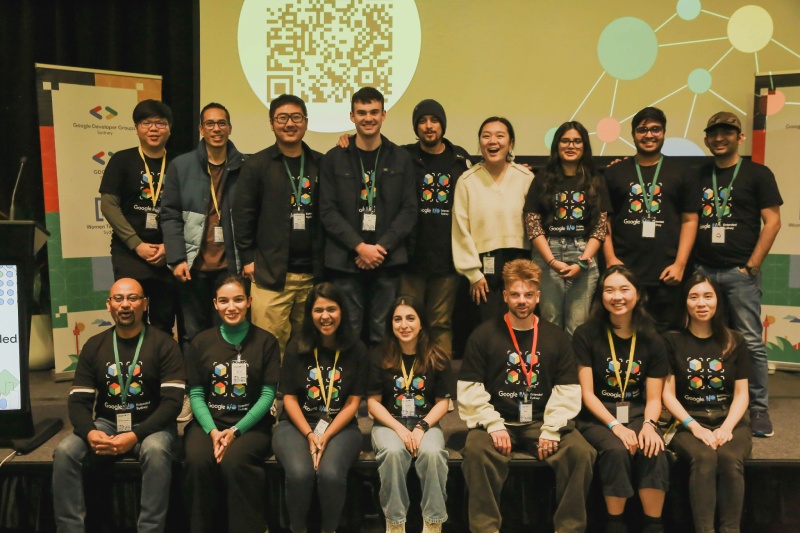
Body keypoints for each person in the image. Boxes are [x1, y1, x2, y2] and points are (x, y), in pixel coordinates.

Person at [458, 259, 595, 533]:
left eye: (529, 295)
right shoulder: (483, 335)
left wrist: (552, 429)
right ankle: (486, 529)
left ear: (538, 296)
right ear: (505, 295)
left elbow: (567, 390)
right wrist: (493, 424)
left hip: (541, 422)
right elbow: (469, 389)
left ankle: (569, 529)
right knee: (475, 450)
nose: (522, 301)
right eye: (516, 294)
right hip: (498, 422)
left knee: (581, 452)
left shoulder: (556, 337)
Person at [337, 98, 472, 354]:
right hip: (410, 258)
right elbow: (369, 150)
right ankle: (407, 378)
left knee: (440, 323)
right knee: (405, 322)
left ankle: (439, 382)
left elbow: (483, 181)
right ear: (415, 127)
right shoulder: (401, 156)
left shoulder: (460, 159)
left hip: (448, 258)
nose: (429, 126)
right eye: (422, 121)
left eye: (434, 120)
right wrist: (347, 139)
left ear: (443, 124)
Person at [52, 278, 186, 533]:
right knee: (65, 451)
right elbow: (78, 401)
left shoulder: (164, 344)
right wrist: (90, 432)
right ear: (109, 305)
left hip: (151, 424)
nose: (125, 305)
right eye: (118, 299)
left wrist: (135, 435)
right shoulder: (95, 345)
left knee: (156, 451)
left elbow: (172, 404)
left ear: (144, 304)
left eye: (133, 298)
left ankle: (150, 529)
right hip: (107, 423)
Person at [692, 111, 782, 437]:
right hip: (702, 271)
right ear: (706, 139)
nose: (719, 138)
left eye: (727, 132)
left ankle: (758, 409)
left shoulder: (758, 174)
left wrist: (752, 266)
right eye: (714, 133)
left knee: (751, 342)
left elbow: (772, 222)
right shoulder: (699, 173)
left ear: (739, 137)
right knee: (704, 339)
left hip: (739, 271)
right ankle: (713, 400)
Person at [573, 265, 669, 533]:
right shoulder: (586, 334)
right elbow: (586, 394)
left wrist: (650, 425)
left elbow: (653, 397)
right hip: (597, 416)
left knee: (653, 447)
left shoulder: (652, 338)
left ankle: (654, 525)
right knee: (616, 449)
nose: (617, 297)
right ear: (601, 296)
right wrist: (615, 426)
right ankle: (616, 525)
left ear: (637, 294)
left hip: (639, 414)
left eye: (625, 289)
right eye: (609, 290)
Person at [182, 274, 280, 533]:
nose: (231, 307)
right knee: (197, 460)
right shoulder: (200, 342)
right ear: (215, 304)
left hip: (251, 426)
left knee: (235, 461)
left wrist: (235, 432)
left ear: (249, 302)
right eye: (224, 301)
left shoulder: (266, 342)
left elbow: (268, 396)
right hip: (209, 424)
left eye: (238, 300)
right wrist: (214, 432)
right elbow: (196, 395)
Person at [319, 86, 417, 346]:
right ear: (352, 116)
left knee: (382, 332)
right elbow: (327, 211)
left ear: (384, 115)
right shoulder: (334, 158)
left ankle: (375, 386)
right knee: (348, 331)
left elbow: (409, 211)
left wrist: (379, 248)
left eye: (374, 112)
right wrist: (360, 247)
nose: (368, 118)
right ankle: (352, 387)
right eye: (362, 113)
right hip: (345, 260)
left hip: (388, 259)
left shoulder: (401, 158)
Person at [272, 282, 369, 533]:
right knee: (299, 473)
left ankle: (329, 529)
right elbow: (290, 399)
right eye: (318, 310)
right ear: (310, 314)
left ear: (342, 312)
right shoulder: (297, 346)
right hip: (295, 425)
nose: (325, 316)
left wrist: (324, 436)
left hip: (341, 427)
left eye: (331, 309)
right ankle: (298, 529)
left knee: (331, 475)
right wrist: (310, 435)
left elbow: (352, 403)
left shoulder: (357, 349)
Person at [233, 94, 324, 358]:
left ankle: (300, 397)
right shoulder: (256, 165)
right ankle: (270, 398)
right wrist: (248, 259)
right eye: (282, 118)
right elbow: (243, 216)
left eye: (296, 117)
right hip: (270, 274)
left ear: (306, 123)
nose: (289, 124)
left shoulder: (321, 163)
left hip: (312, 274)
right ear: (272, 124)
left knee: (309, 345)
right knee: (269, 345)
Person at [662, 273, 752, 533]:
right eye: (694, 296)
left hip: (730, 420)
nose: (701, 303)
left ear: (717, 302)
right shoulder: (671, 340)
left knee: (728, 458)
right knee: (704, 458)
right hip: (687, 421)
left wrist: (727, 428)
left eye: (708, 296)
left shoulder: (736, 340)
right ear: (685, 302)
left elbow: (742, 393)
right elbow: (667, 394)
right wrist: (694, 427)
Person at [603, 107, 699, 331]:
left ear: (664, 132)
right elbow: (603, 220)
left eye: (655, 129)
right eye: (642, 129)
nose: (649, 135)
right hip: (625, 274)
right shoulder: (614, 173)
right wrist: (610, 259)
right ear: (633, 134)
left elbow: (690, 220)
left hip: (667, 275)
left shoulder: (683, 172)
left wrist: (680, 264)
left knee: (666, 339)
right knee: (622, 335)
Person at [161, 102, 246, 351]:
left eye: (222, 123)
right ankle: (196, 387)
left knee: (231, 330)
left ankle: (228, 386)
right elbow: (170, 215)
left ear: (230, 128)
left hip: (230, 265)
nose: (216, 128)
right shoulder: (181, 166)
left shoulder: (245, 166)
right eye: (210, 123)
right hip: (193, 265)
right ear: (201, 128)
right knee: (193, 333)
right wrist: (176, 258)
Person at [367, 296, 453, 533]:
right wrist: (401, 430)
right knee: (393, 452)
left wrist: (420, 427)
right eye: (397, 319)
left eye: (410, 318)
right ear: (390, 325)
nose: (404, 325)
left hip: (426, 423)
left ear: (421, 322)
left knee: (433, 453)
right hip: (388, 424)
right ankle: (395, 524)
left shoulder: (437, 355)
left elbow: (443, 403)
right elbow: (373, 404)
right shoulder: (378, 355)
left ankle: (433, 523)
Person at [99, 99, 181, 335]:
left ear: (170, 128)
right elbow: (109, 206)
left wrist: (170, 247)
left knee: (164, 321)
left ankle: (161, 369)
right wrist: (137, 245)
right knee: (130, 318)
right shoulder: (121, 161)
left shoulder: (181, 163)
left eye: (160, 123)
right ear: (136, 128)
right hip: (130, 253)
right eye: (147, 123)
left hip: (169, 254)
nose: (154, 129)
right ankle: (133, 369)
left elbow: (191, 210)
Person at [524, 120, 610, 335]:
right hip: (547, 254)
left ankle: (574, 370)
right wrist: (551, 261)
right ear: (557, 145)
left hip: (583, 255)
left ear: (584, 147)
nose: (571, 146)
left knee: (578, 326)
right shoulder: (542, 178)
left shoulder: (596, 180)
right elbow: (533, 224)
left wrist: (582, 263)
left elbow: (599, 228)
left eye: (577, 141)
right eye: (565, 141)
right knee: (550, 325)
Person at [452, 117, 534, 322]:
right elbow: (460, 229)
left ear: (511, 143)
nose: (492, 141)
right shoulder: (467, 181)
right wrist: (473, 273)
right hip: (483, 269)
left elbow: (536, 224)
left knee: (520, 323)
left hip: (520, 261)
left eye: (500, 136)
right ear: (480, 143)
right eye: (486, 136)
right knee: (488, 327)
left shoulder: (526, 177)